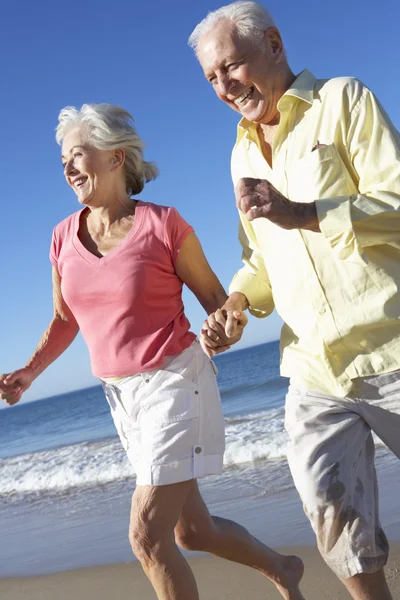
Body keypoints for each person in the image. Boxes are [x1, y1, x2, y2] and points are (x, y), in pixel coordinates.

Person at [0, 103, 305, 600]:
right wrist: (30, 372)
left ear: (116, 158)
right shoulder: (61, 239)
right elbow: (64, 318)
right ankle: (283, 568)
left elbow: (216, 301)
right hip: (121, 399)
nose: (67, 168)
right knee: (191, 532)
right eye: (62, 161)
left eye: (77, 155)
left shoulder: (164, 225)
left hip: (175, 381)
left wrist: (225, 327)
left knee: (146, 536)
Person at [189, 2, 400, 599]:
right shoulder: (240, 154)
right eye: (212, 78)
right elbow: (261, 259)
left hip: (390, 344)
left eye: (233, 66)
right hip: (312, 368)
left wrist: (303, 212)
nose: (226, 86)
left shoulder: (343, 101)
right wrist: (235, 303)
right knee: (332, 516)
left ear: (275, 45)